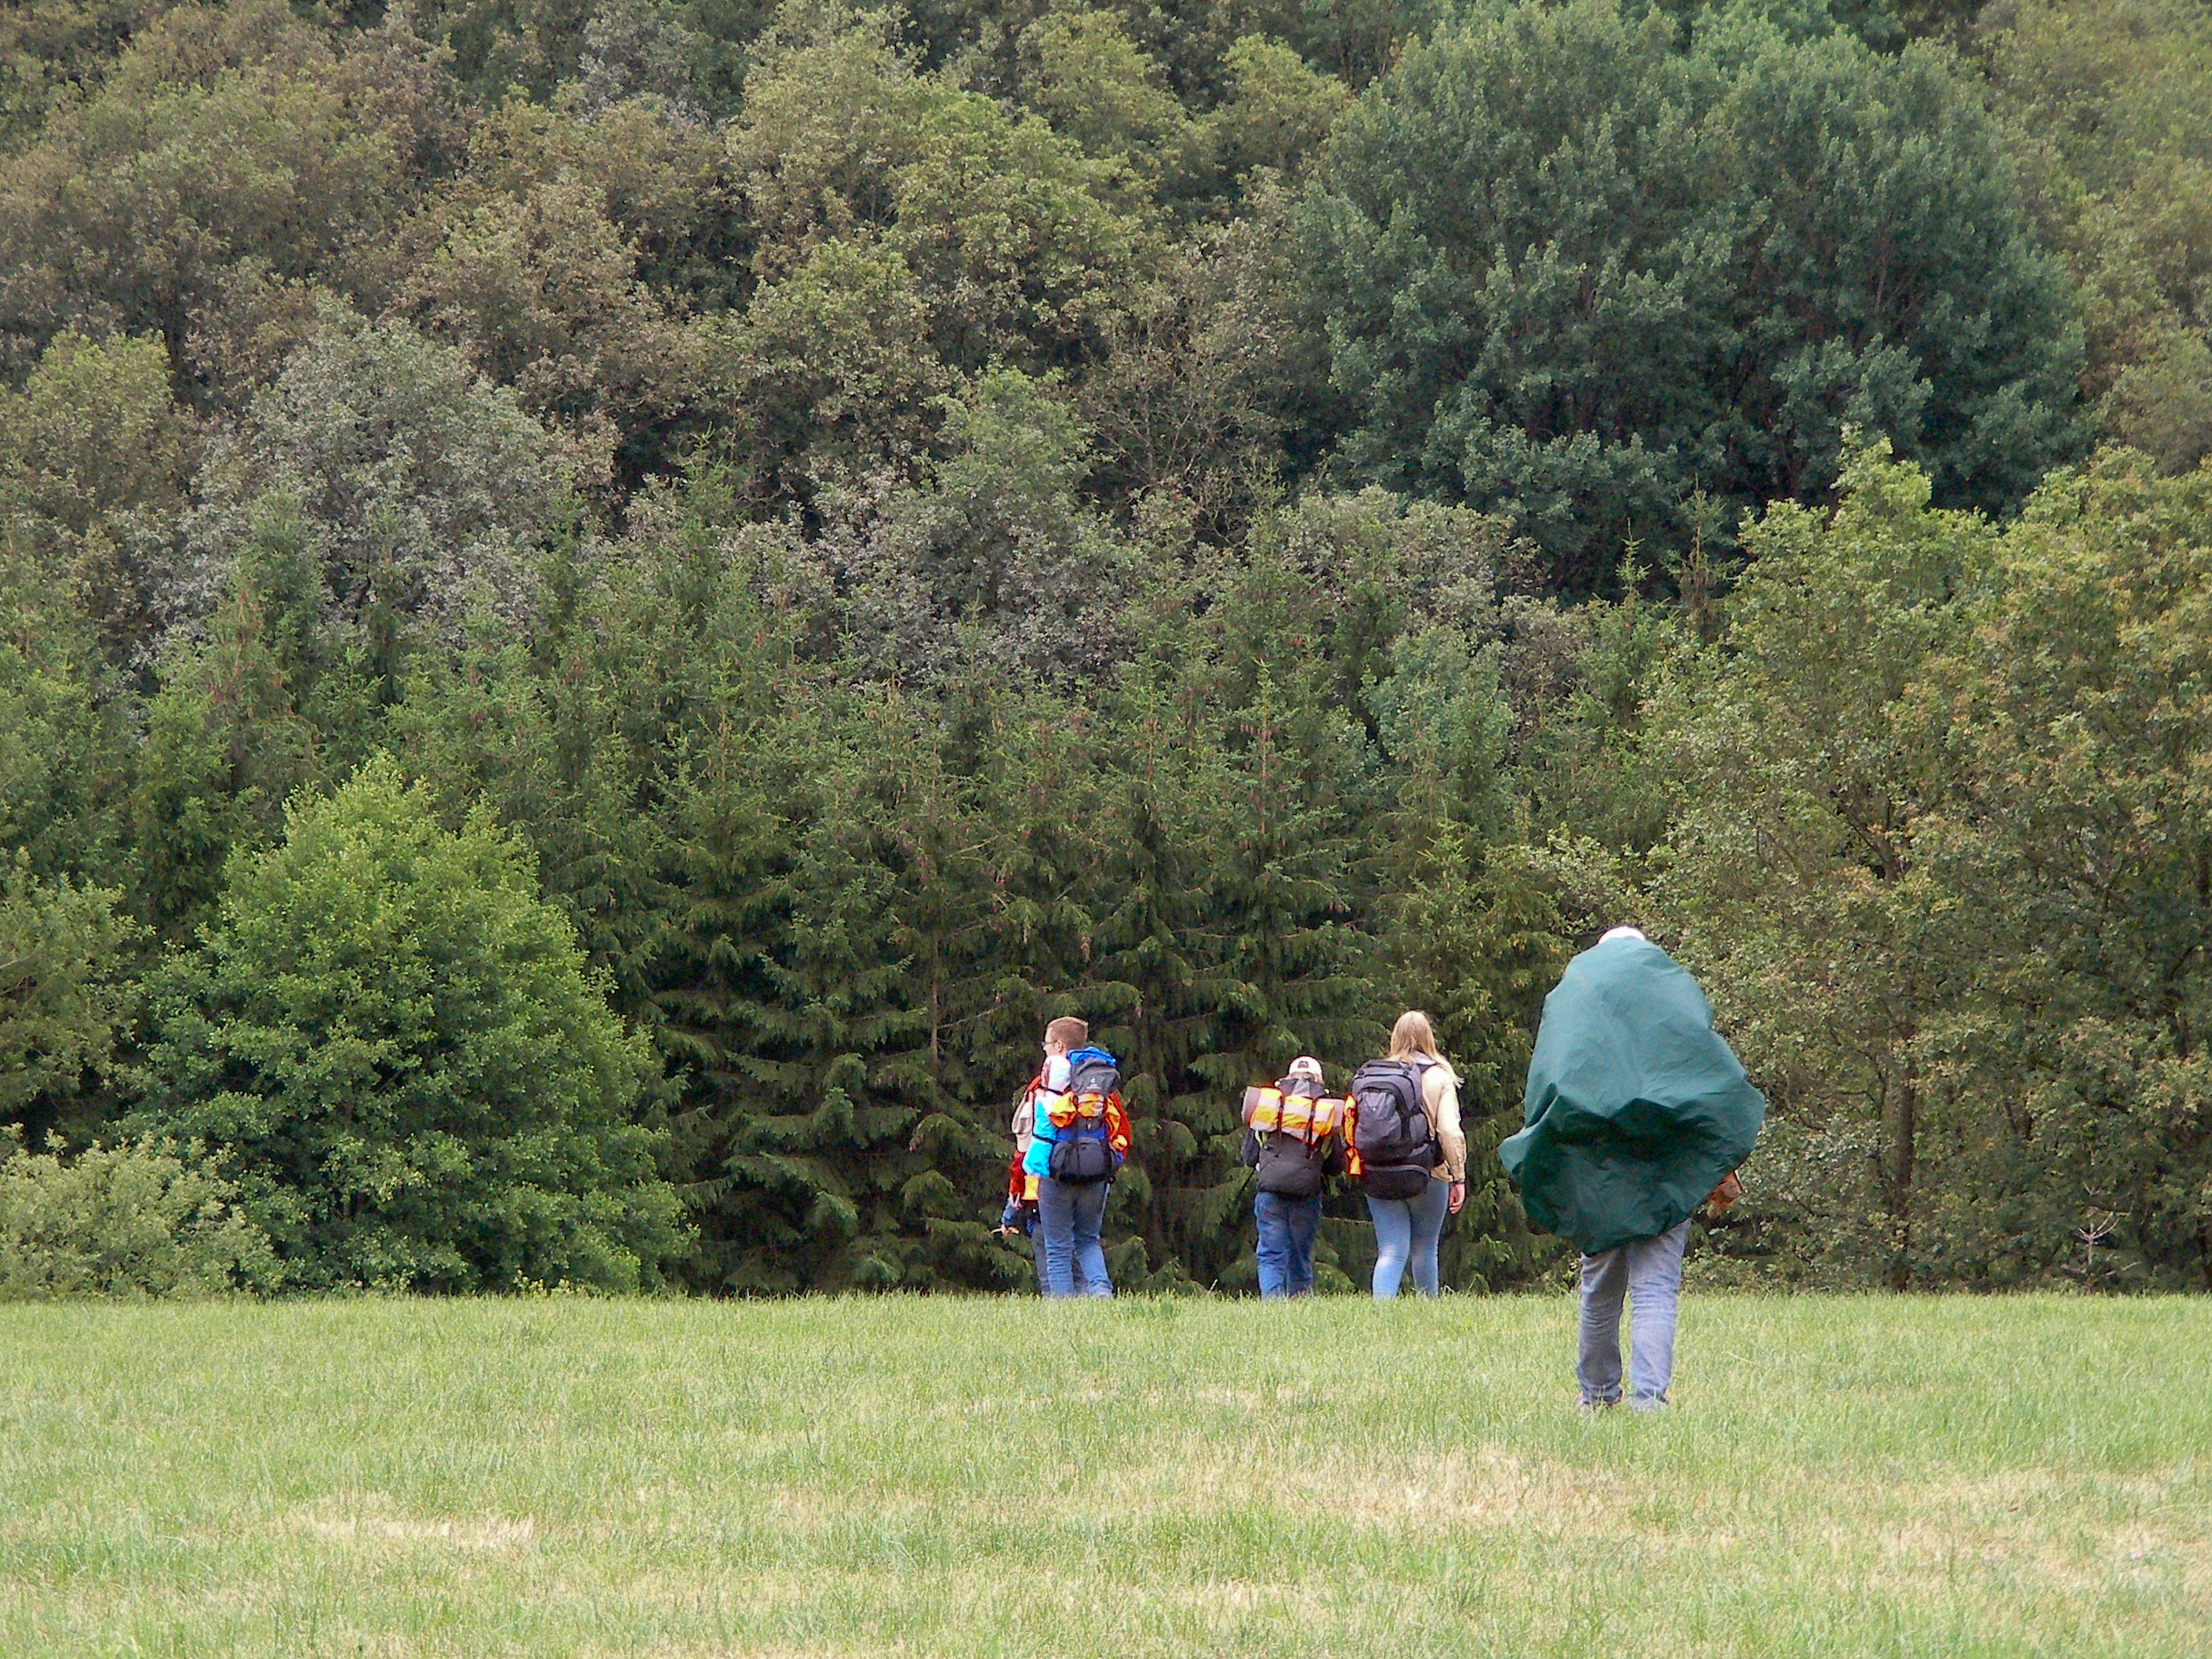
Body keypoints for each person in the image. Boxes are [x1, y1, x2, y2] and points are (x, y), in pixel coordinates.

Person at [1501, 926, 1765, 1411]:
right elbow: (1707, 1069)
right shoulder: (1669, 985)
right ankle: (1649, 1401)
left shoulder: (1576, 990)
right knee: (1655, 1288)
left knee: (1600, 1288)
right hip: (1664, 1164)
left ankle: (1596, 1396)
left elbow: (1548, 1079)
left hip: (1594, 1165)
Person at [1352, 1011, 1466, 1299]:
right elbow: (1449, 1130)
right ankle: (1427, 1311)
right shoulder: (1440, 1077)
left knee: (1390, 1250)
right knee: (1425, 1247)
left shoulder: (1375, 1075)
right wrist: (1458, 1176)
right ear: (1429, 1037)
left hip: (1379, 1172)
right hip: (1429, 1173)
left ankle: (1382, 1315)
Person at [1019, 1016, 1132, 1298]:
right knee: (1089, 1240)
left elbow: (1028, 1139)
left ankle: (1063, 1311)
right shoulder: (1101, 1084)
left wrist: (1020, 1189)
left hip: (1055, 1176)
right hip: (1096, 1174)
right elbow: (1122, 1134)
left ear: (1059, 1045)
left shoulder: (1044, 1084)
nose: (1044, 1049)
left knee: (1057, 1249)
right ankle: (1101, 1292)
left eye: (1046, 1043)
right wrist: (1108, 1166)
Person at [1239, 1055, 1346, 1298]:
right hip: (1306, 1194)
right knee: (1300, 1255)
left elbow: (1249, 1157)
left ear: (1288, 1077)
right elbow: (1335, 1165)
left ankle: (1272, 1306)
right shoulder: (1325, 1111)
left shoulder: (1269, 1105)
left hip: (1270, 1192)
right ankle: (1300, 1303)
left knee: (1271, 1254)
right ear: (1319, 1081)